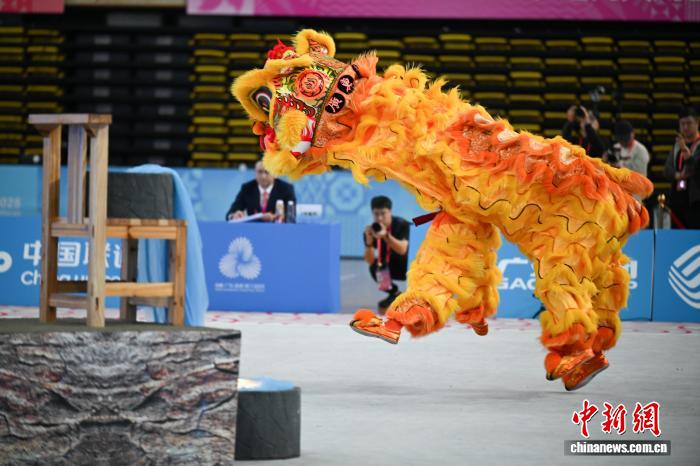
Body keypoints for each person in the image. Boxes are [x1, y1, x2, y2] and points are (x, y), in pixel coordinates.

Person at [362, 196, 410, 313]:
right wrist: (369, 243)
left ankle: (413, 298)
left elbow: (402, 250)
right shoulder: (371, 230)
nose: (379, 218)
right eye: (376, 214)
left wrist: (386, 236)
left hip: (407, 265)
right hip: (388, 266)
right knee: (375, 267)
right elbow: (369, 260)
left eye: (383, 213)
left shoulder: (402, 224)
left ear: (390, 211)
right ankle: (395, 294)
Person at [664, 107, 700, 229]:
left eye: (689, 123)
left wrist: (689, 157)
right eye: (682, 124)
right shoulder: (677, 146)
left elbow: (696, 170)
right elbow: (667, 170)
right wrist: (678, 175)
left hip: (696, 202)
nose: (685, 127)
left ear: (697, 123)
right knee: (677, 237)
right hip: (677, 202)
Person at [226, 160, 296, 222]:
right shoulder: (247, 188)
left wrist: (275, 218)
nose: (263, 176)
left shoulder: (286, 189)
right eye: (260, 172)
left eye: (267, 172)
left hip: (277, 229)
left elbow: (291, 215)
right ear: (255, 173)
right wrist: (233, 216)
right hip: (253, 230)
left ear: (275, 174)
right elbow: (230, 214)